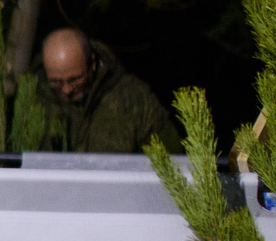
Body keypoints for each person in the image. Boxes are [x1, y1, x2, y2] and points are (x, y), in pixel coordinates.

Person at [33, 27, 178, 153]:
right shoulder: (33, 97)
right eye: (56, 82)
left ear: (93, 64)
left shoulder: (133, 98)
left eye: (75, 79)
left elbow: (173, 159)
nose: (67, 90)